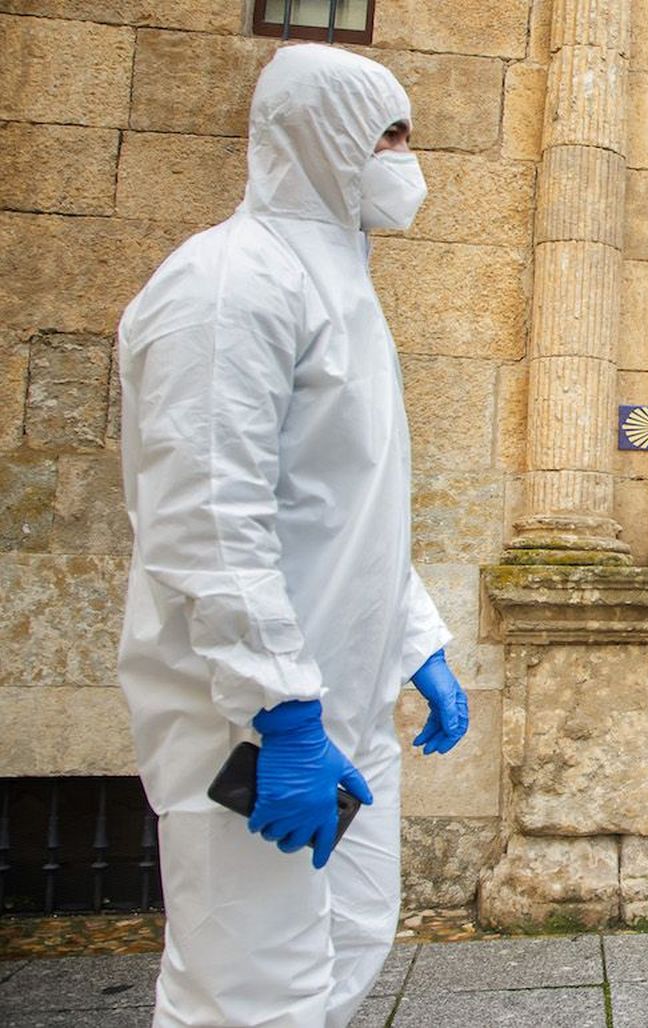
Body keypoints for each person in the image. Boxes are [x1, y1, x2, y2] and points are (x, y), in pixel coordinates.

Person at [117, 44, 471, 1027]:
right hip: (251, 717)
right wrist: (278, 711)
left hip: (346, 703)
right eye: (386, 135)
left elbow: (350, 507)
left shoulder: (345, 290)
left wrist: (417, 643)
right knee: (244, 988)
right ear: (319, 137)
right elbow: (212, 517)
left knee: (347, 940)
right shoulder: (230, 284)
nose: (405, 157)